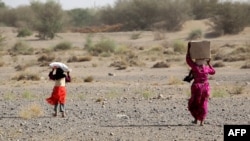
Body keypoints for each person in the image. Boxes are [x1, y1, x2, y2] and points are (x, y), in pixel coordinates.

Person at [186, 42, 215, 126]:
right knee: (204, 102)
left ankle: (195, 119)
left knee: (194, 102)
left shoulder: (195, 67)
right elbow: (213, 72)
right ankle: (202, 121)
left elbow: (188, 59)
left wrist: (188, 49)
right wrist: (209, 63)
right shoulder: (207, 68)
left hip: (197, 87)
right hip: (206, 87)